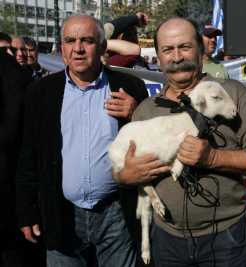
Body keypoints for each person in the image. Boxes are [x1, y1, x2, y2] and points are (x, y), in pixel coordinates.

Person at [114, 17, 246, 267]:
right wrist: (125, 176)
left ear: (201, 51)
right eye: (168, 49)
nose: (177, 56)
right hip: (166, 240)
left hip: (225, 239)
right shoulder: (146, 111)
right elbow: (122, 170)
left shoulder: (232, 94)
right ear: (158, 57)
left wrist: (213, 157)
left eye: (185, 46)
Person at [15, 15, 148, 267]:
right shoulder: (41, 92)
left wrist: (137, 113)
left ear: (102, 46)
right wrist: (26, 210)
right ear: (62, 48)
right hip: (61, 214)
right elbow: (29, 155)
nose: (78, 48)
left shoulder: (129, 87)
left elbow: (150, 142)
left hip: (117, 215)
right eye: (70, 41)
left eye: (86, 40)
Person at [0, 41, 43, 267]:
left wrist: (26, 209)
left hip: (16, 204)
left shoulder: (21, 79)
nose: (18, 55)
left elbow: (29, 148)